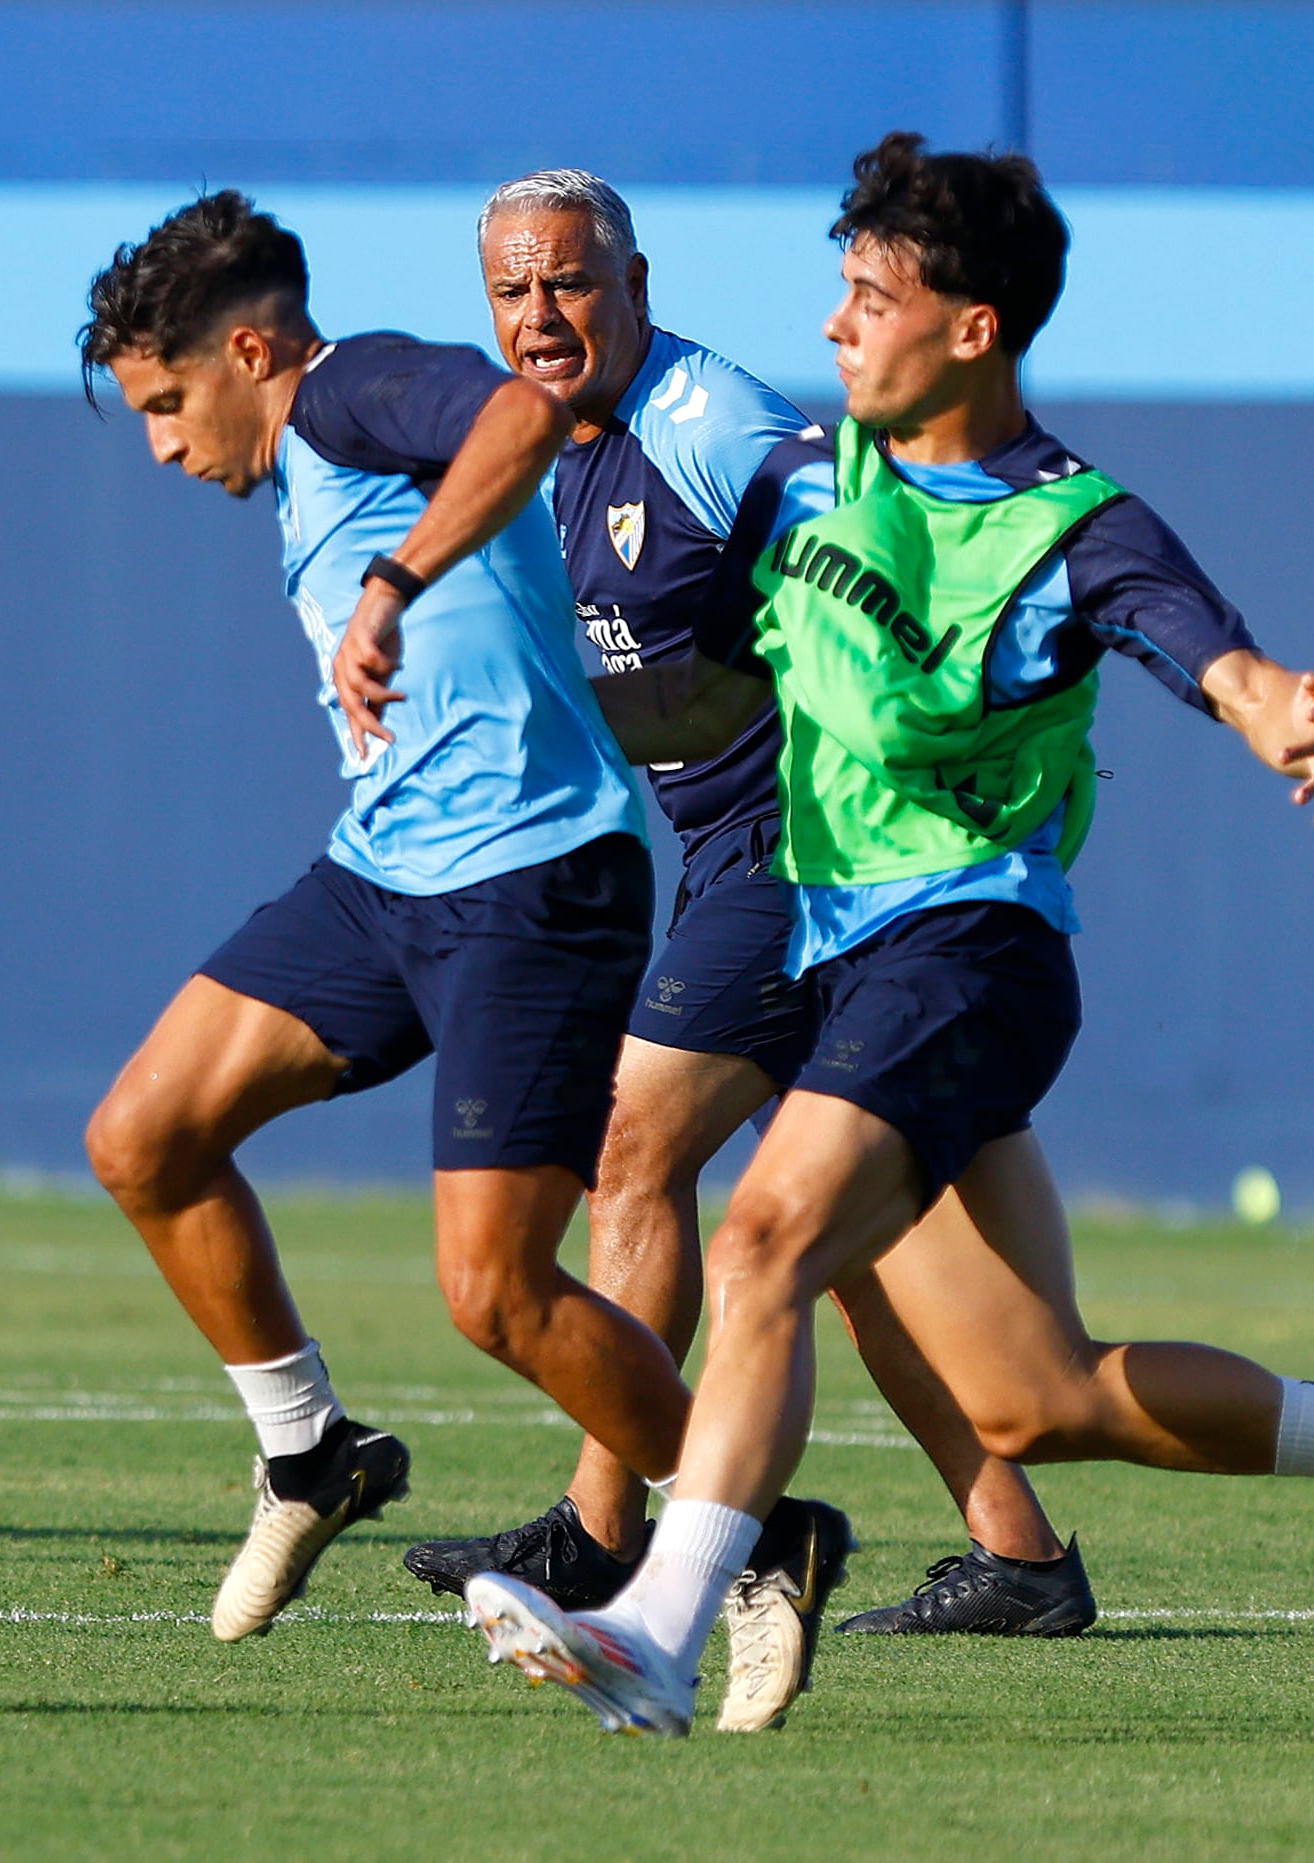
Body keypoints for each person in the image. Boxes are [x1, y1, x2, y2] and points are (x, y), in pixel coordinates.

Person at [364, 135, 1314, 1736]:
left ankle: (653, 1617)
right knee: (1032, 1391)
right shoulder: (839, 475)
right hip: (858, 955)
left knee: (764, 1234)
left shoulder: (1059, 519)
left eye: (871, 298)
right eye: (843, 291)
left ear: (971, 330)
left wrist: (1268, 701)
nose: (838, 325)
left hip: (968, 948)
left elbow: (1185, 632)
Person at [72, 190, 844, 1655]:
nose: (168, 447)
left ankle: (752, 1543)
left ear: (249, 350)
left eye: (170, 405)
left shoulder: (348, 388)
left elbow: (512, 418)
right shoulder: (306, 461)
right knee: (144, 1137)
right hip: (388, 876)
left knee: (495, 1290)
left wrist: (394, 581)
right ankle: (311, 1453)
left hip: (535, 883)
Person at [398, 169, 1097, 1643]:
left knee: (628, 1147)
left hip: (806, 855)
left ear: (637, 285)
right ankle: (1020, 1557)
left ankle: (603, 1531)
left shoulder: (707, 427)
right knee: (841, 1257)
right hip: (733, 861)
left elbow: (861, 523)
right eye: (514, 291)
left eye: (571, 283)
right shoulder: (541, 448)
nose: (543, 314)